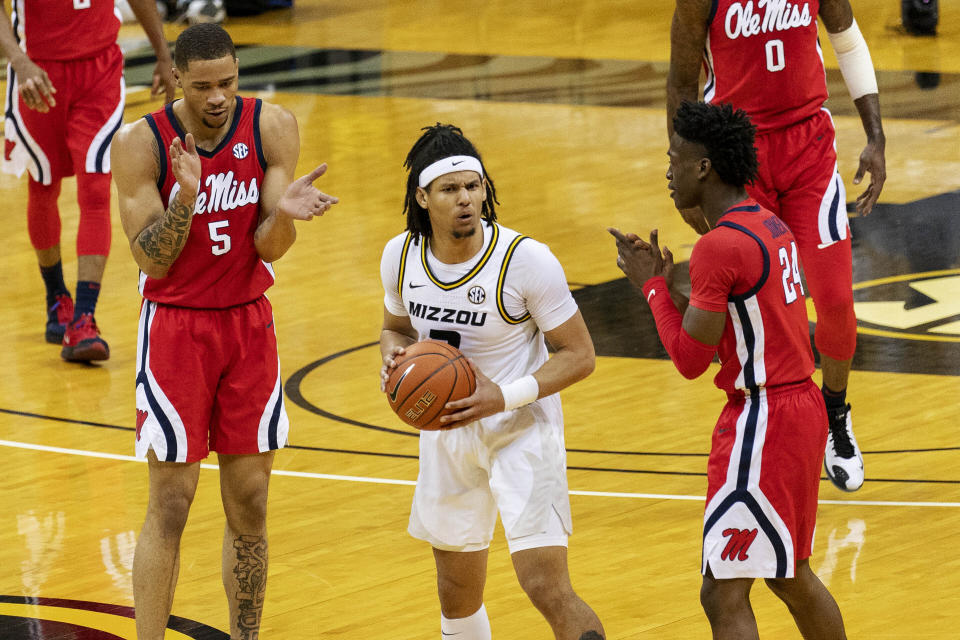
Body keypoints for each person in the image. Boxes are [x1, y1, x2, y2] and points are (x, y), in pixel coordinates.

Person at [110, 23, 338, 639]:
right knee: (172, 503)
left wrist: (284, 216)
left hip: (247, 326)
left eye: (229, 83)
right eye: (204, 86)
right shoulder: (141, 144)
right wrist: (185, 198)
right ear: (176, 80)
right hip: (176, 330)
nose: (218, 98)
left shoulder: (271, 126)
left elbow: (270, 245)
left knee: (251, 503)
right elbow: (151, 260)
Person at [610, 100, 846, 640]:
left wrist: (650, 287)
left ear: (703, 167)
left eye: (674, 158)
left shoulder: (719, 245)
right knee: (787, 575)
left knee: (724, 588)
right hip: (796, 406)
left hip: (764, 419)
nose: (668, 172)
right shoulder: (770, 224)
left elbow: (691, 360)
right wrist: (675, 290)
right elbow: (739, 331)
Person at [379, 124, 605, 640]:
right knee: (456, 593)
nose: (466, 199)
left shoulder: (525, 259)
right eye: (450, 189)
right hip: (445, 435)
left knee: (545, 586)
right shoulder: (400, 255)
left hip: (521, 431)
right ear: (423, 196)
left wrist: (502, 396)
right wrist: (393, 361)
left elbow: (580, 355)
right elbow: (393, 329)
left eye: (473, 186)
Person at [668, 0, 887, 491]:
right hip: (738, 158)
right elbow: (682, 81)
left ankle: (836, 413)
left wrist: (876, 136)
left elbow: (847, 39)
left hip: (808, 147)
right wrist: (684, 173)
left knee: (835, 300)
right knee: (760, 313)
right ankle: (762, 423)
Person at [0, 0, 176, 362]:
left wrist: (163, 52)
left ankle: (84, 318)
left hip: (100, 70)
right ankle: (56, 298)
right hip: (37, 69)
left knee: (96, 188)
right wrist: (16, 58)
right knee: (43, 185)